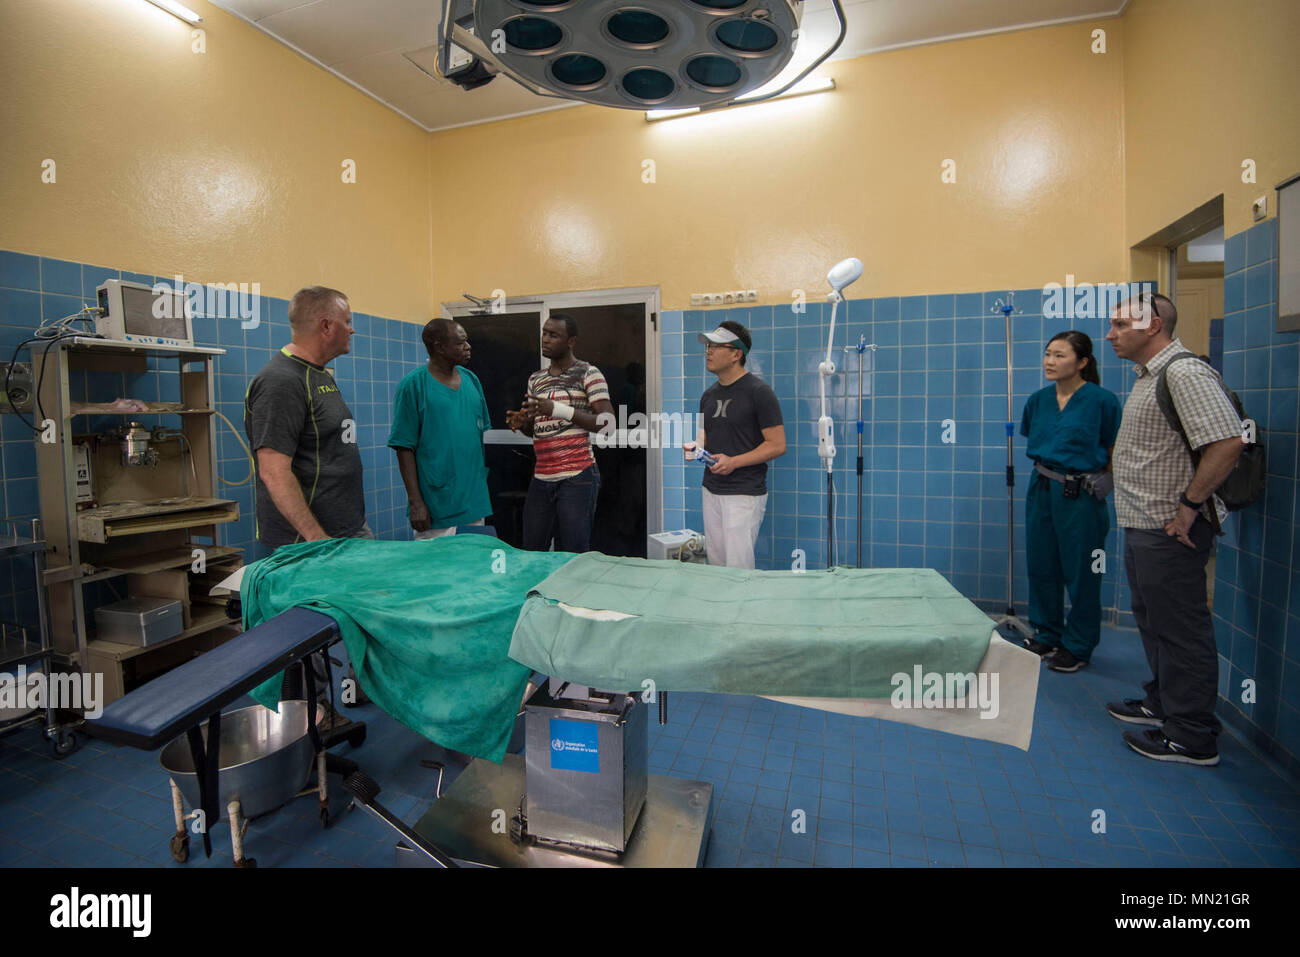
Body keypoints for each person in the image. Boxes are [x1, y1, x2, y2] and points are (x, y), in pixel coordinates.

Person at [1105, 292, 1244, 766]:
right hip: (1144, 521)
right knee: (1154, 619)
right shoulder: (1150, 377)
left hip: (1172, 528)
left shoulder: (1183, 372)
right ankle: (1163, 702)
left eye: (1121, 324)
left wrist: (1189, 507)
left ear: (1153, 325)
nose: (1111, 334)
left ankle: (1191, 735)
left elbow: (1227, 442)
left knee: (1181, 628)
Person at [244, 285, 369, 715]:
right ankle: (310, 720)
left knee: (367, 608)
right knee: (308, 635)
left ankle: (361, 686)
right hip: (309, 540)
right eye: (348, 321)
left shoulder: (320, 375)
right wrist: (315, 538)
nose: (353, 329)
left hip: (346, 531)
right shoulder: (280, 382)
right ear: (326, 325)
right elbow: (273, 470)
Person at [1019, 331, 1121, 673]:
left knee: (1083, 571)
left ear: (1082, 362)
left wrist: (1101, 484)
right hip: (1042, 489)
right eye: (1048, 354)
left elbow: (1111, 450)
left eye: (1060, 355)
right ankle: (1046, 633)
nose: (1050, 361)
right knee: (1042, 564)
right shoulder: (1037, 401)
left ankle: (1077, 645)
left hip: (1081, 495)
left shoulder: (1102, 401)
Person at [505, 314, 614, 553]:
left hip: (577, 476)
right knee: (533, 549)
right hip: (542, 477)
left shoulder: (588, 373)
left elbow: (607, 423)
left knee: (572, 552)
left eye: (554, 335)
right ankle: (537, 592)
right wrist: (522, 423)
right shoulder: (536, 379)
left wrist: (558, 409)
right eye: (544, 333)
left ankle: (571, 593)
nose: (545, 339)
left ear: (571, 341)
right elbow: (537, 430)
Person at [688, 321, 786, 569]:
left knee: (738, 567)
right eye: (708, 345)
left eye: (716, 346)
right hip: (711, 489)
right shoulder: (708, 396)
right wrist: (695, 448)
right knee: (718, 565)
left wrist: (734, 462)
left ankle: (743, 609)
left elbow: (777, 445)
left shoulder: (759, 392)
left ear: (736, 354)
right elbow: (704, 437)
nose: (708, 351)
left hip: (743, 493)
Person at [388, 318, 492, 538]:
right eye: (461, 342)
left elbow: (476, 438)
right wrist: (416, 502)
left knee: (474, 569)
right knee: (436, 571)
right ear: (439, 347)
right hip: (437, 506)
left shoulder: (471, 380)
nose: (468, 347)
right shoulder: (414, 385)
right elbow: (403, 446)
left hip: (474, 502)